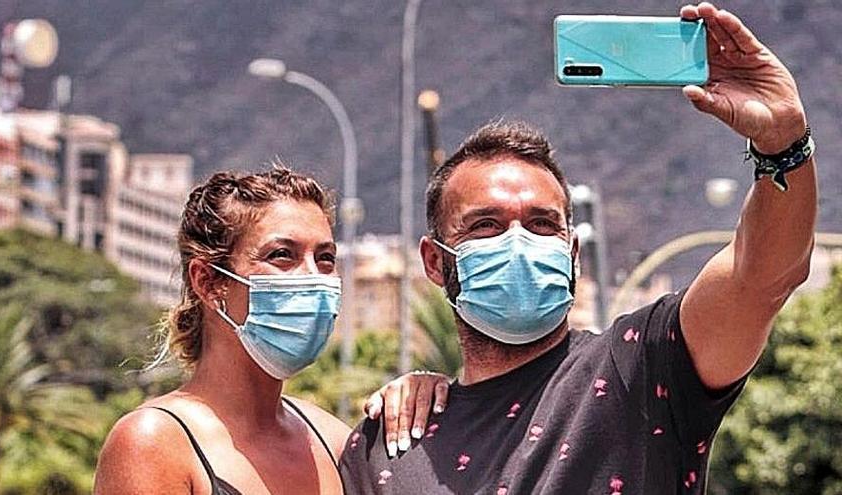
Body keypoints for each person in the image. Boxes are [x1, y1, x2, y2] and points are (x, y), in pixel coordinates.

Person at [341, 3, 817, 494]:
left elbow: (760, 276)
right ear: (435, 262)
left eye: (541, 223)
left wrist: (783, 144)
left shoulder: (641, 370)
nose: (518, 241)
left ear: (572, 253)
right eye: (485, 225)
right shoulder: (389, 445)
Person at [94, 166, 449, 494]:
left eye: (325, 258)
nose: (312, 277)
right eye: (282, 255)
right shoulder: (154, 442)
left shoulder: (333, 441)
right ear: (208, 281)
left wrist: (431, 394)